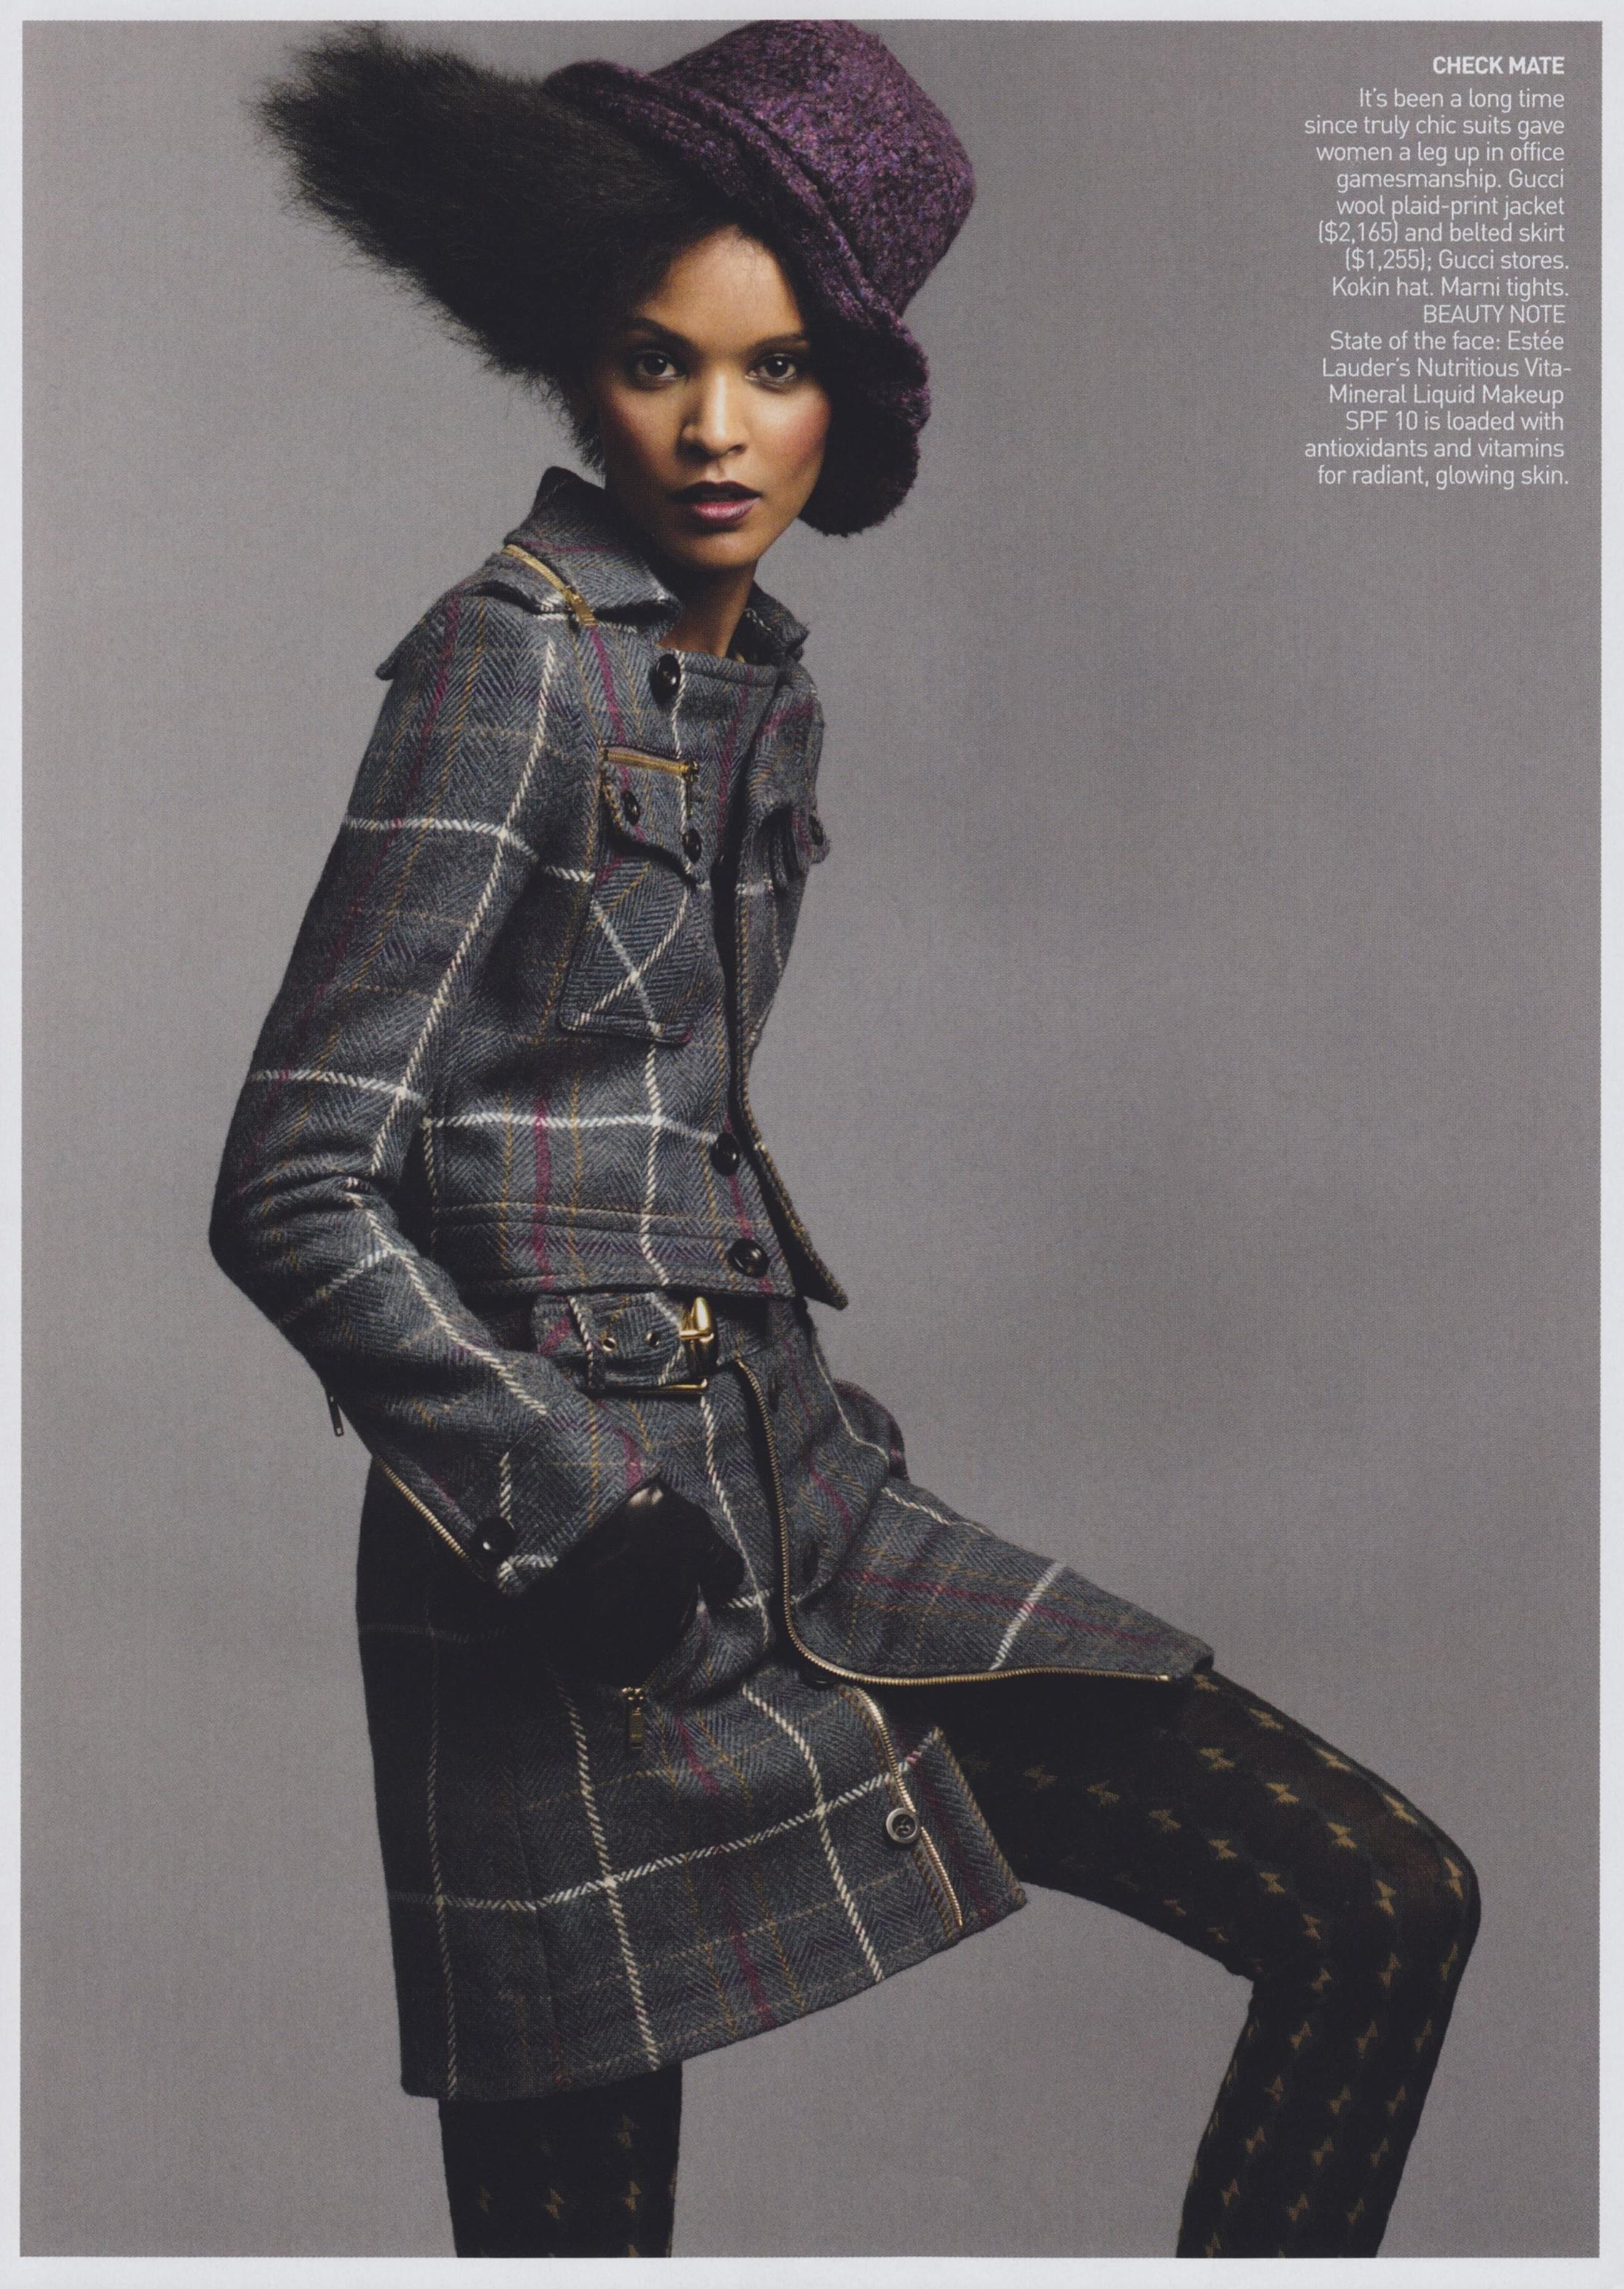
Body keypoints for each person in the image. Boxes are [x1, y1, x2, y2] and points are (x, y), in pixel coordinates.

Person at [210, 22, 1480, 2260]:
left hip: (809, 1522)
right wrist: (571, 1509)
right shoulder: (512, 667)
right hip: (564, 1581)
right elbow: (296, 1176)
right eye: (657, 359)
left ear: (847, 402)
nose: (715, 429)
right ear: (575, 364)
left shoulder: (759, 684)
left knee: (1376, 1898)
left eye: (777, 365)